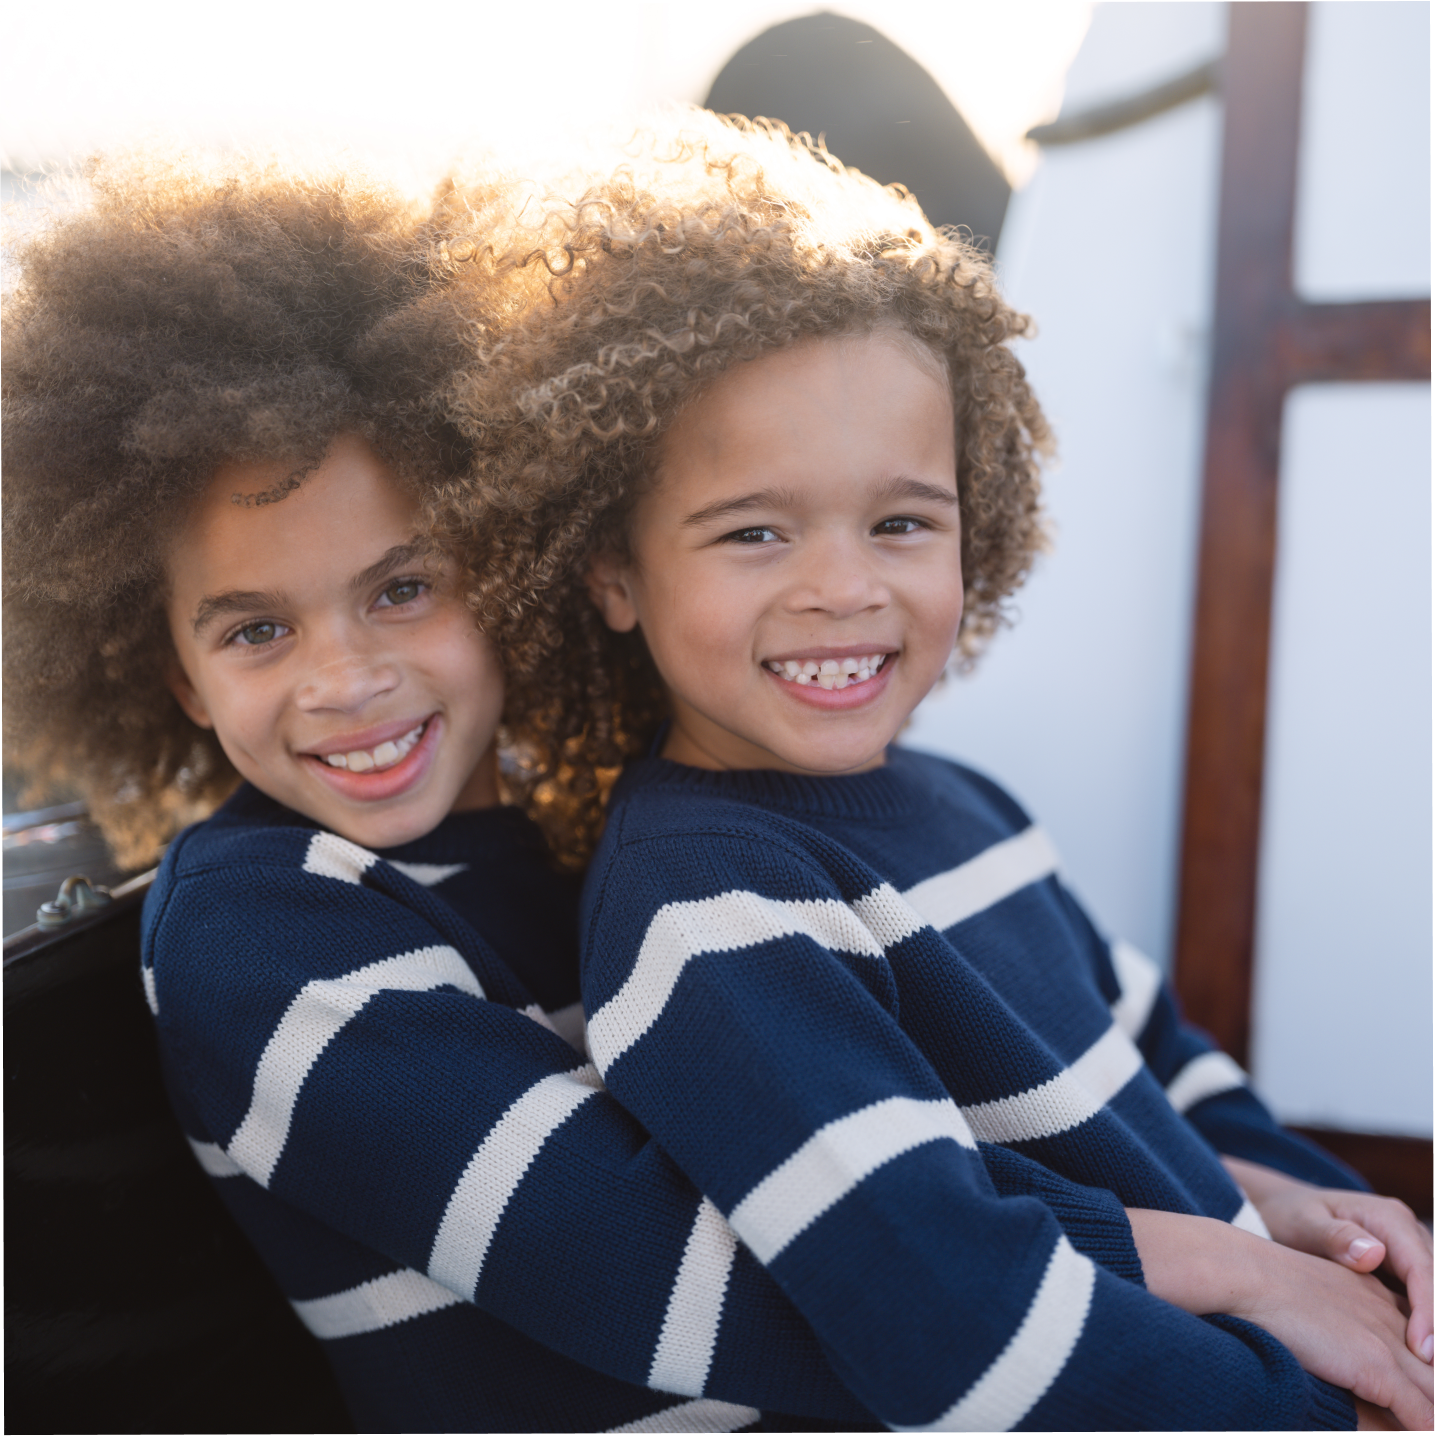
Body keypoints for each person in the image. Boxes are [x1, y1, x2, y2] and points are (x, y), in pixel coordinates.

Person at [438, 115, 1435, 1432]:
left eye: (901, 521)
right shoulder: (705, 908)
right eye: (752, 532)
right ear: (610, 572)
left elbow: (1157, 1061)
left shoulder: (966, 804)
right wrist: (1314, 1408)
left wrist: (1300, 1203)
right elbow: (948, 1314)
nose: (844, 588)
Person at [0, 153, 901, 1433]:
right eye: (255, 631)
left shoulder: (608, 822)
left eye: (402, 587)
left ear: (510, 567)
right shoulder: (258, 929)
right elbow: (678, 1288)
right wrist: (1164, 1291)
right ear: (180, 677)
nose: (346, 679)